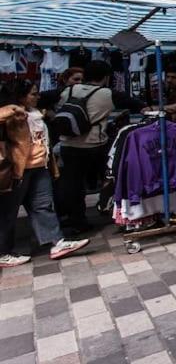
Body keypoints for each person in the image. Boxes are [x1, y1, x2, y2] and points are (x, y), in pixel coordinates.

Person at [0, 81, 90, 267]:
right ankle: (3, 252)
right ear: (21, 96)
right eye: (33, 94)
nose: (37, 96)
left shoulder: (36, 114)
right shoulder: (12, 115)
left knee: (43, 206)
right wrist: (12, 109)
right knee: (8, 212)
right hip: (18, 169)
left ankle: (57, 243)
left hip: (40, 167)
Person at [56, 60, 115, 234]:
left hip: (68, 144)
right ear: (105, 77)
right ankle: (107, 206)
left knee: (73, 185)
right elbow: (132, 103)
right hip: (94, 145)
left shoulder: (69, 90)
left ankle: (77, 220)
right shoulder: (106, 93)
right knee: (108, 176)